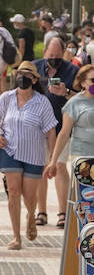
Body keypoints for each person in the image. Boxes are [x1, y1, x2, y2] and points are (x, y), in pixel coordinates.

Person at [0, 61, 58, 250]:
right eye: (20, 74)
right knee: (13, 192)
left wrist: (52, 159)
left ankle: (30, 214)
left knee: (29, 196)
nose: (23, 78)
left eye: (27, 75)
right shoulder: (6, 97)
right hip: (10, 151)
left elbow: (51, 131)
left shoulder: (42, 102)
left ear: (35, 79)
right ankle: (16, 236)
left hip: (34, 155)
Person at [35, 38, 79, 229]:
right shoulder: (34, 67)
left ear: (63, 54)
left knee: (60, 165)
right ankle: (41, 211)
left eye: (57, 56)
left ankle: (63, 212)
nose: (53, 59)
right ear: (45, 52)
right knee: (41, 167)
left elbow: (83, 97)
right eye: (50, 56)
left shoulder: (72, 70)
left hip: (62, 127)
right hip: (37, 127)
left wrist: (66, 92)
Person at [45, 65, 94, 222]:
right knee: (86, 198)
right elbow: (64, 133)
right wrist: (53, 162)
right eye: (93, 80)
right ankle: (83, 234)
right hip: (83, 157)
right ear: (83, 83)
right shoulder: (74, 103)